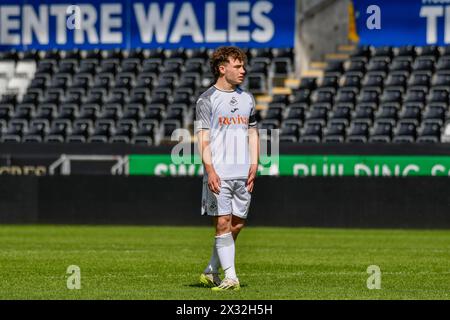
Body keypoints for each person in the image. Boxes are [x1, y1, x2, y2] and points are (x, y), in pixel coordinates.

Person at [195, 46, 260, 291]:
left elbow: (253, 133)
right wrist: (210, 169)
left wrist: (255, 163)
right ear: (222, 69)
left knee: (237, 224)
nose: (243, 70)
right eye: (237, 66)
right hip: (219, 173)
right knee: (222, 223)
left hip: (243, 173)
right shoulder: (206, 99)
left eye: (243, 66)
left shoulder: (247, 98)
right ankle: (231, 278)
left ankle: (211, 270)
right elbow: (202, 138)